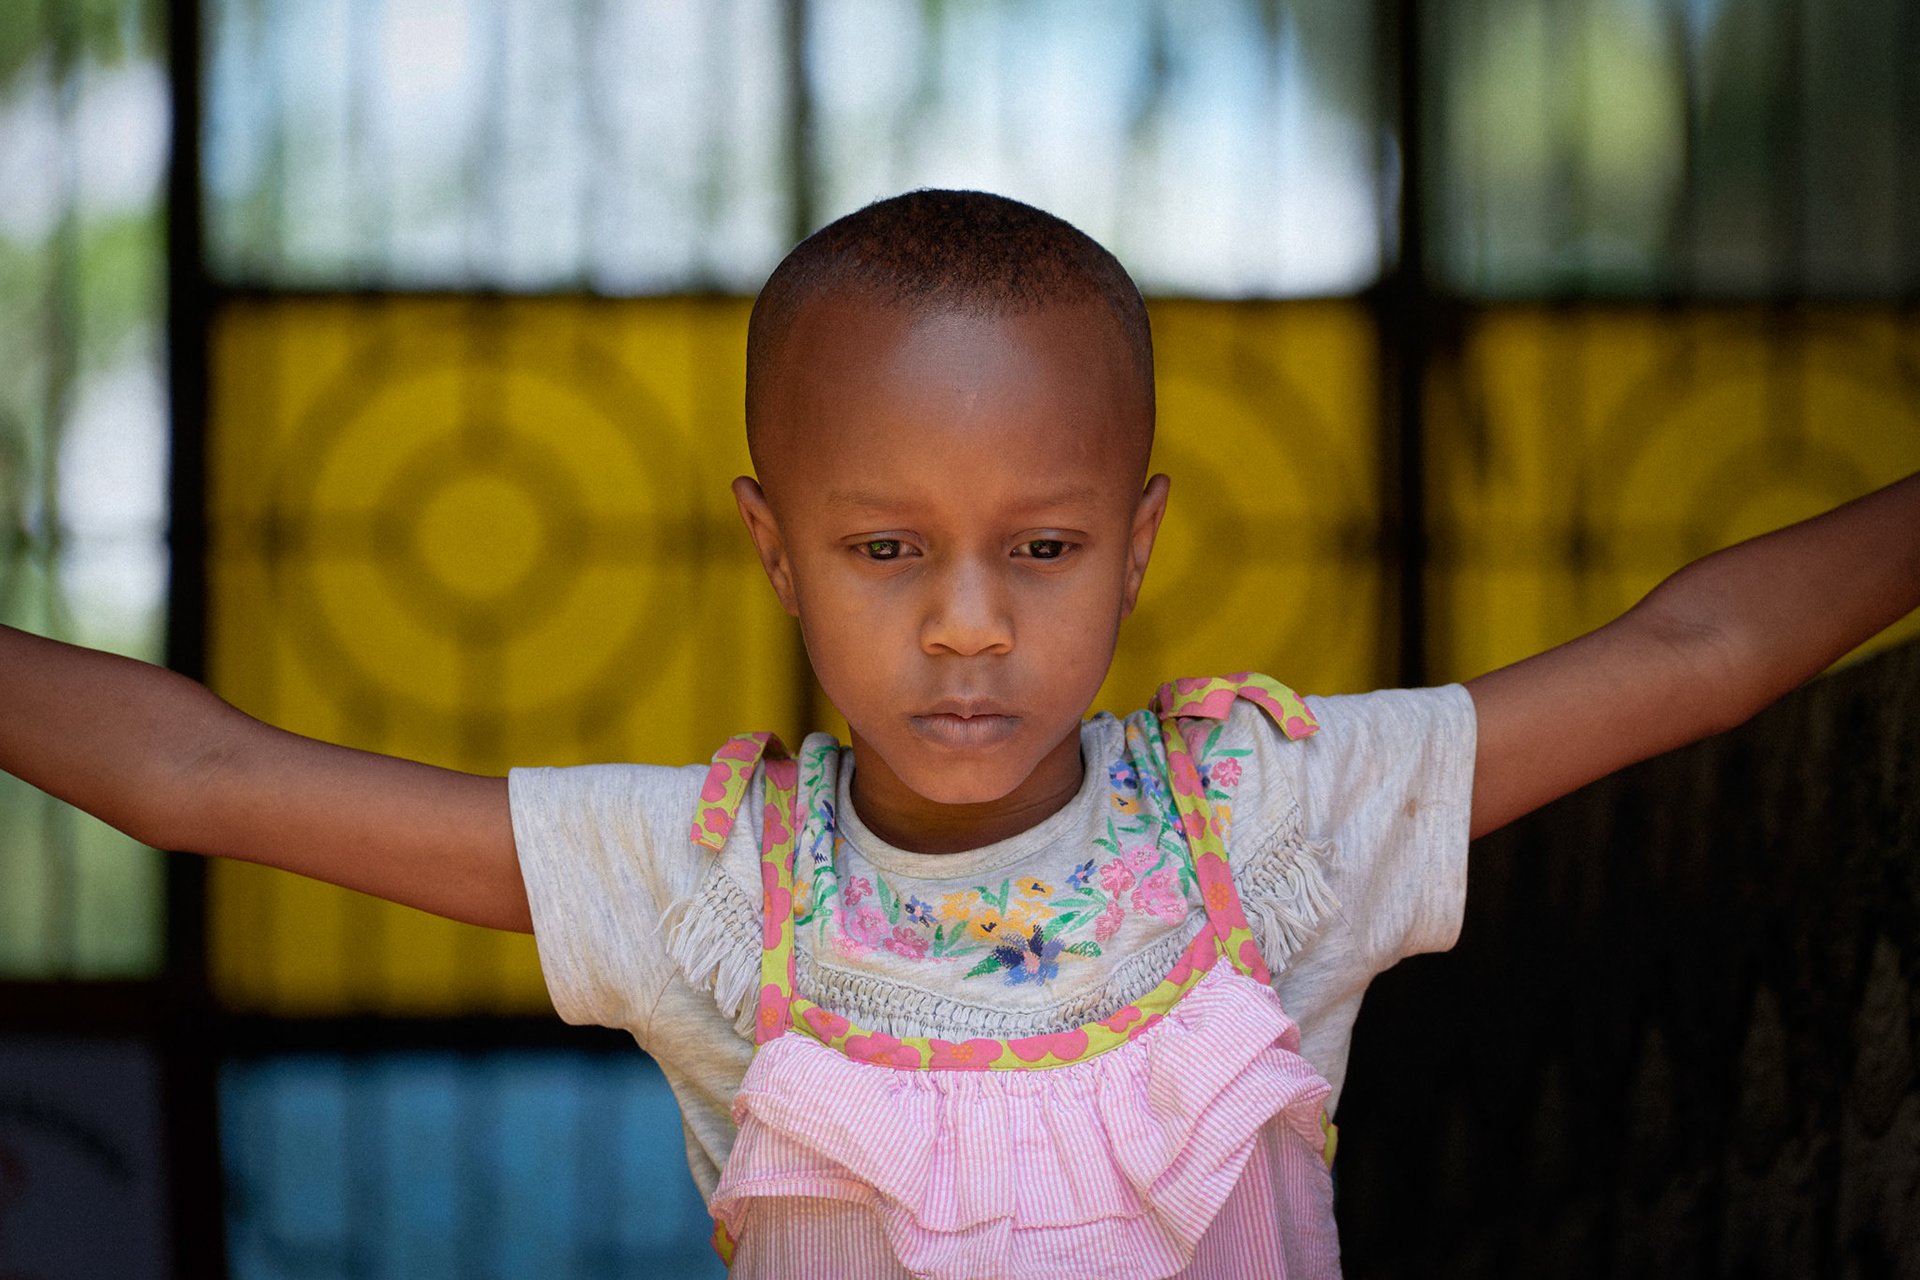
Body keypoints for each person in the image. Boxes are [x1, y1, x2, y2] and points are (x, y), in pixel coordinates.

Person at [1, 190, 1916, 1279]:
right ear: (774, 547)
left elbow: (1699, 651)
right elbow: (210, 780)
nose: (970, 621)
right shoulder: (706, 882)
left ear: (1142, 542)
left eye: (1048, 545)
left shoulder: (1267, 825)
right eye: (888, 548)